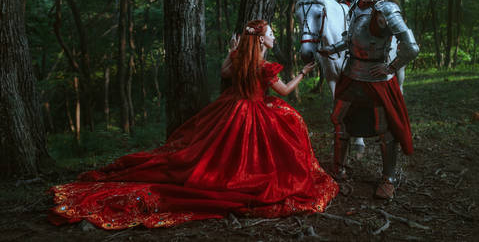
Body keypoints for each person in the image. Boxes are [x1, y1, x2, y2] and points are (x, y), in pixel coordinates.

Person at [49, 19, 338, 230]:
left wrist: (231, 50)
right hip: (253, 111)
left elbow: (225, 72)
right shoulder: (265, 67)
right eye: (271, 34)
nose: (274, 37)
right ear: (261, 40)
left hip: (230, 108)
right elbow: (285, 91)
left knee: (217, 151)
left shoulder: (238, 59)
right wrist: (303, 73)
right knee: (262, 143)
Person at [319, 0, 419, 199]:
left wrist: (391, 67)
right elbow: (351, 39)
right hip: (352, 74)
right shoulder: (355, 5)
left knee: (385, 130)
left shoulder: (387, 10)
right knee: (340, 122)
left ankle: (388, 178)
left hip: (377, 80)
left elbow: (412, 47)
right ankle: (339, 170)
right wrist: (331, 48)